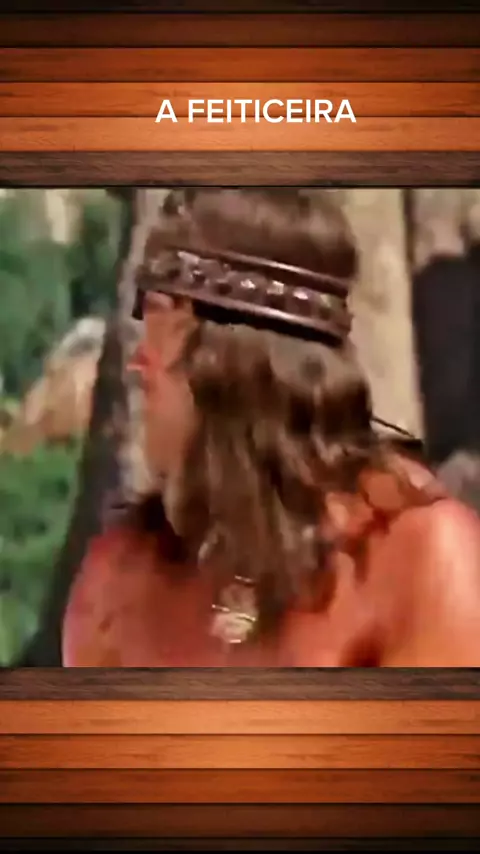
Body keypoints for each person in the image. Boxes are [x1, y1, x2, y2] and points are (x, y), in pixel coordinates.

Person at [62, 188, 480, 667]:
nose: (139, 362)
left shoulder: (414, 559)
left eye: (166, 321)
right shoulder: (119, 581)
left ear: (230, 364)